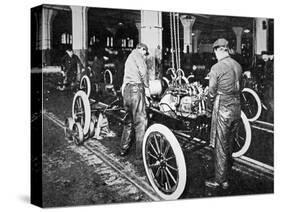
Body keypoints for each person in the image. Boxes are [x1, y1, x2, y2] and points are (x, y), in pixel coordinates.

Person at [205, 38, 242, 190]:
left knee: (220, 145)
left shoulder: (216, 67)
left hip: (223, 109)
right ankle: (225, 175)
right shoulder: (237, 65)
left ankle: (220, 180)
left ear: (217, 50)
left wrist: (208, 110)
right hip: (236, 109)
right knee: (229, 143)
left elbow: (211, 92)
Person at [120, 43, 150, 162]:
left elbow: (125, 78)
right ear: (141, 49)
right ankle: (140, 155)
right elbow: (143, 71)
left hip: (127, 91)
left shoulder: (129, 58)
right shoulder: (138, 56)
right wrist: (147, 88)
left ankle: (123, 149)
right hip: (136, 90)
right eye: (145, 52)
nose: (145, 55)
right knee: (140, 122)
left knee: (128, 122)